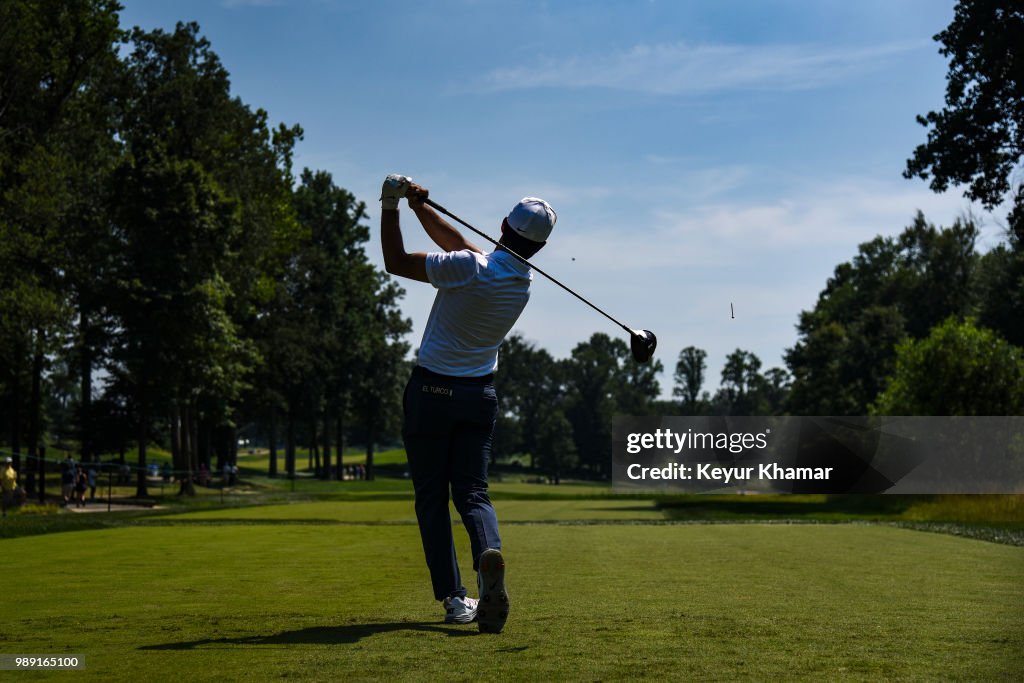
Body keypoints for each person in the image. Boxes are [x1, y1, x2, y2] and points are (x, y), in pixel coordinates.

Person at [379, 174, 556, 634]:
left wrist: (390, 205)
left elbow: (396, 262)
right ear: (538, 248)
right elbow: (464, 249)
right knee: (474, 494)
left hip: (432, 393)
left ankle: (456, 600)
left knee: (433, 501)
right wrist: (421, 209)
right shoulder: (521, 281)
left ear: (501, 224)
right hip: (480, 397)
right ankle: (487, 559)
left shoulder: (469, 268)